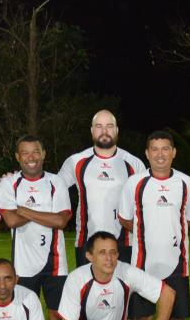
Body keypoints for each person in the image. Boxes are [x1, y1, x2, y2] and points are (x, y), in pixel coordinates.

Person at [118, 130, 190, 320]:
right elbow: (125, 219)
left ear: (174, 152)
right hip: (143, 266)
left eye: (166, 148)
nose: (160, 154)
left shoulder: (186, 182)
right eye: (155, 149)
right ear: (147, 154)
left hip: (177, 264)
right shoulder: (135, 183)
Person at [0, 134, 73, 320]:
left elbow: (61, 222)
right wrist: (44, 214)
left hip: (55, 264)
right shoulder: (9, 183)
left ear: (44, 154)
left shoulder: (57, 183)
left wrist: (22, 209)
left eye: (36, 152)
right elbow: (10, 221)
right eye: (25, 153)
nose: (31, 157)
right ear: (18, 157)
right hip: (22, 266)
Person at [58, 109, 145, 265]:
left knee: (123, 290)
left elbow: (146, 200)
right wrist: (17, 178)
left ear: (117, 130)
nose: (104, 131)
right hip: (86, 243)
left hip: (125, 244)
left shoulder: (134, 163)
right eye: (99, 126)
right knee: (89, 289)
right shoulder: (76, 161)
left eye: (109, 126)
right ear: (92, 130)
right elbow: (51, 188)